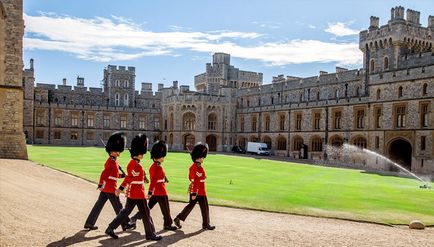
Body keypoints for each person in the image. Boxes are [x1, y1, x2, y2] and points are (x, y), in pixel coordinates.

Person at [105, 134, 162, 241]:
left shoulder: (133, 163)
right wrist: (120, 189)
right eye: (142, 153)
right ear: (139, 154)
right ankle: (150, 234)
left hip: (132, 193)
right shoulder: (136, 165)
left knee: (125, 212)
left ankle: (110, 228)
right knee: (146, 213)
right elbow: (129, 178)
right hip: (138, 193)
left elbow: (133, 177)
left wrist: (142, 178)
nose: (143, 155)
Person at [83, 132, 132, 231]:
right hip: (110, 188)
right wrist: (100, 184)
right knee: (118, 206)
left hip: (107, 188)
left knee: (98, 205)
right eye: (118, 151)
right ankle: (126, 223)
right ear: (113, 151)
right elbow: (104, 174)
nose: (119, 153)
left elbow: (112, 175)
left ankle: (89, 223)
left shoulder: (113, 161)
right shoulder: (111, 161)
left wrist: (122, 175)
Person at [129, 141, 178, 231]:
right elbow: (154, 181)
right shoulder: (158, 167)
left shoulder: (153, 166)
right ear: (158, 157)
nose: (163, 158)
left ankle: (134, 218)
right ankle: (167, 224)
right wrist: (150, 192)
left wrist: (164, 179)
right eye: (162, 157)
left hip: (156, 192)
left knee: (147, 208)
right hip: (161, 191)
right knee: (166, 210)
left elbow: (157, 178)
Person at [173, 143, 215, 230]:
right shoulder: (193, 168)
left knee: (203, 207)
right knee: (194, 206)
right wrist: (194, 193)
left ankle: (205, 224)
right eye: (202, 157)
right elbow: (193, 180)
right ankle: (179, 218)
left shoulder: (199, 167)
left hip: (201, 190)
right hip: (197, 191)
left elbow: (200, 178)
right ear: (198, 158)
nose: (203, 158)